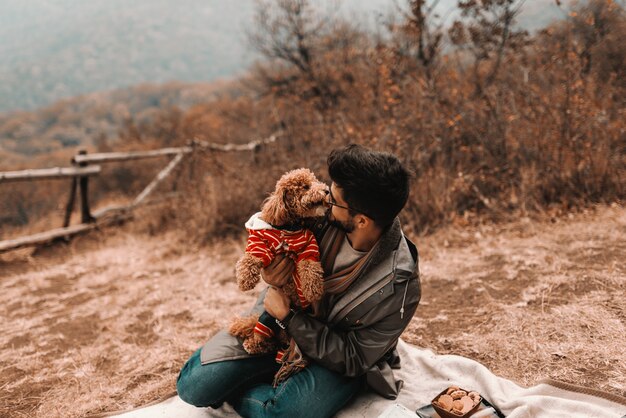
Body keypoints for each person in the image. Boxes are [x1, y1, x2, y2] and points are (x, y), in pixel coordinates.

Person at [176, 144, 421, 418]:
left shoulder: (400, 284)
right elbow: (269, 237)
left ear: (362, 220)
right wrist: (271, 273)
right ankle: (270, 379)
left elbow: (354, 357)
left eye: (334, 199)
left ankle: (265, 394)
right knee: (193, 386)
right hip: (276, 323)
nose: (324, 199)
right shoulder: (317, 217)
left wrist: (290, 318)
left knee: (285, 413)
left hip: (333, 356)